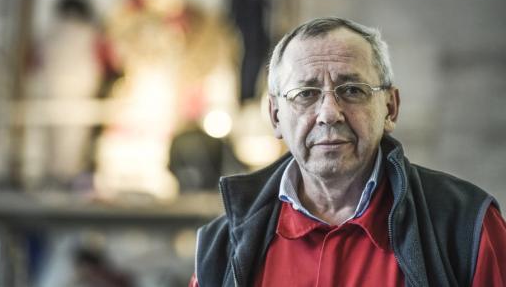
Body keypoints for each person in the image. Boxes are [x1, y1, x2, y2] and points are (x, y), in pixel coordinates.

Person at [189, 17, 506, 286]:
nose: (329, 113)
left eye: (353, 90)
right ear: (275, 116)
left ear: (390, 108)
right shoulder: (222, 245)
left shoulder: (467, 226)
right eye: (306, 93)